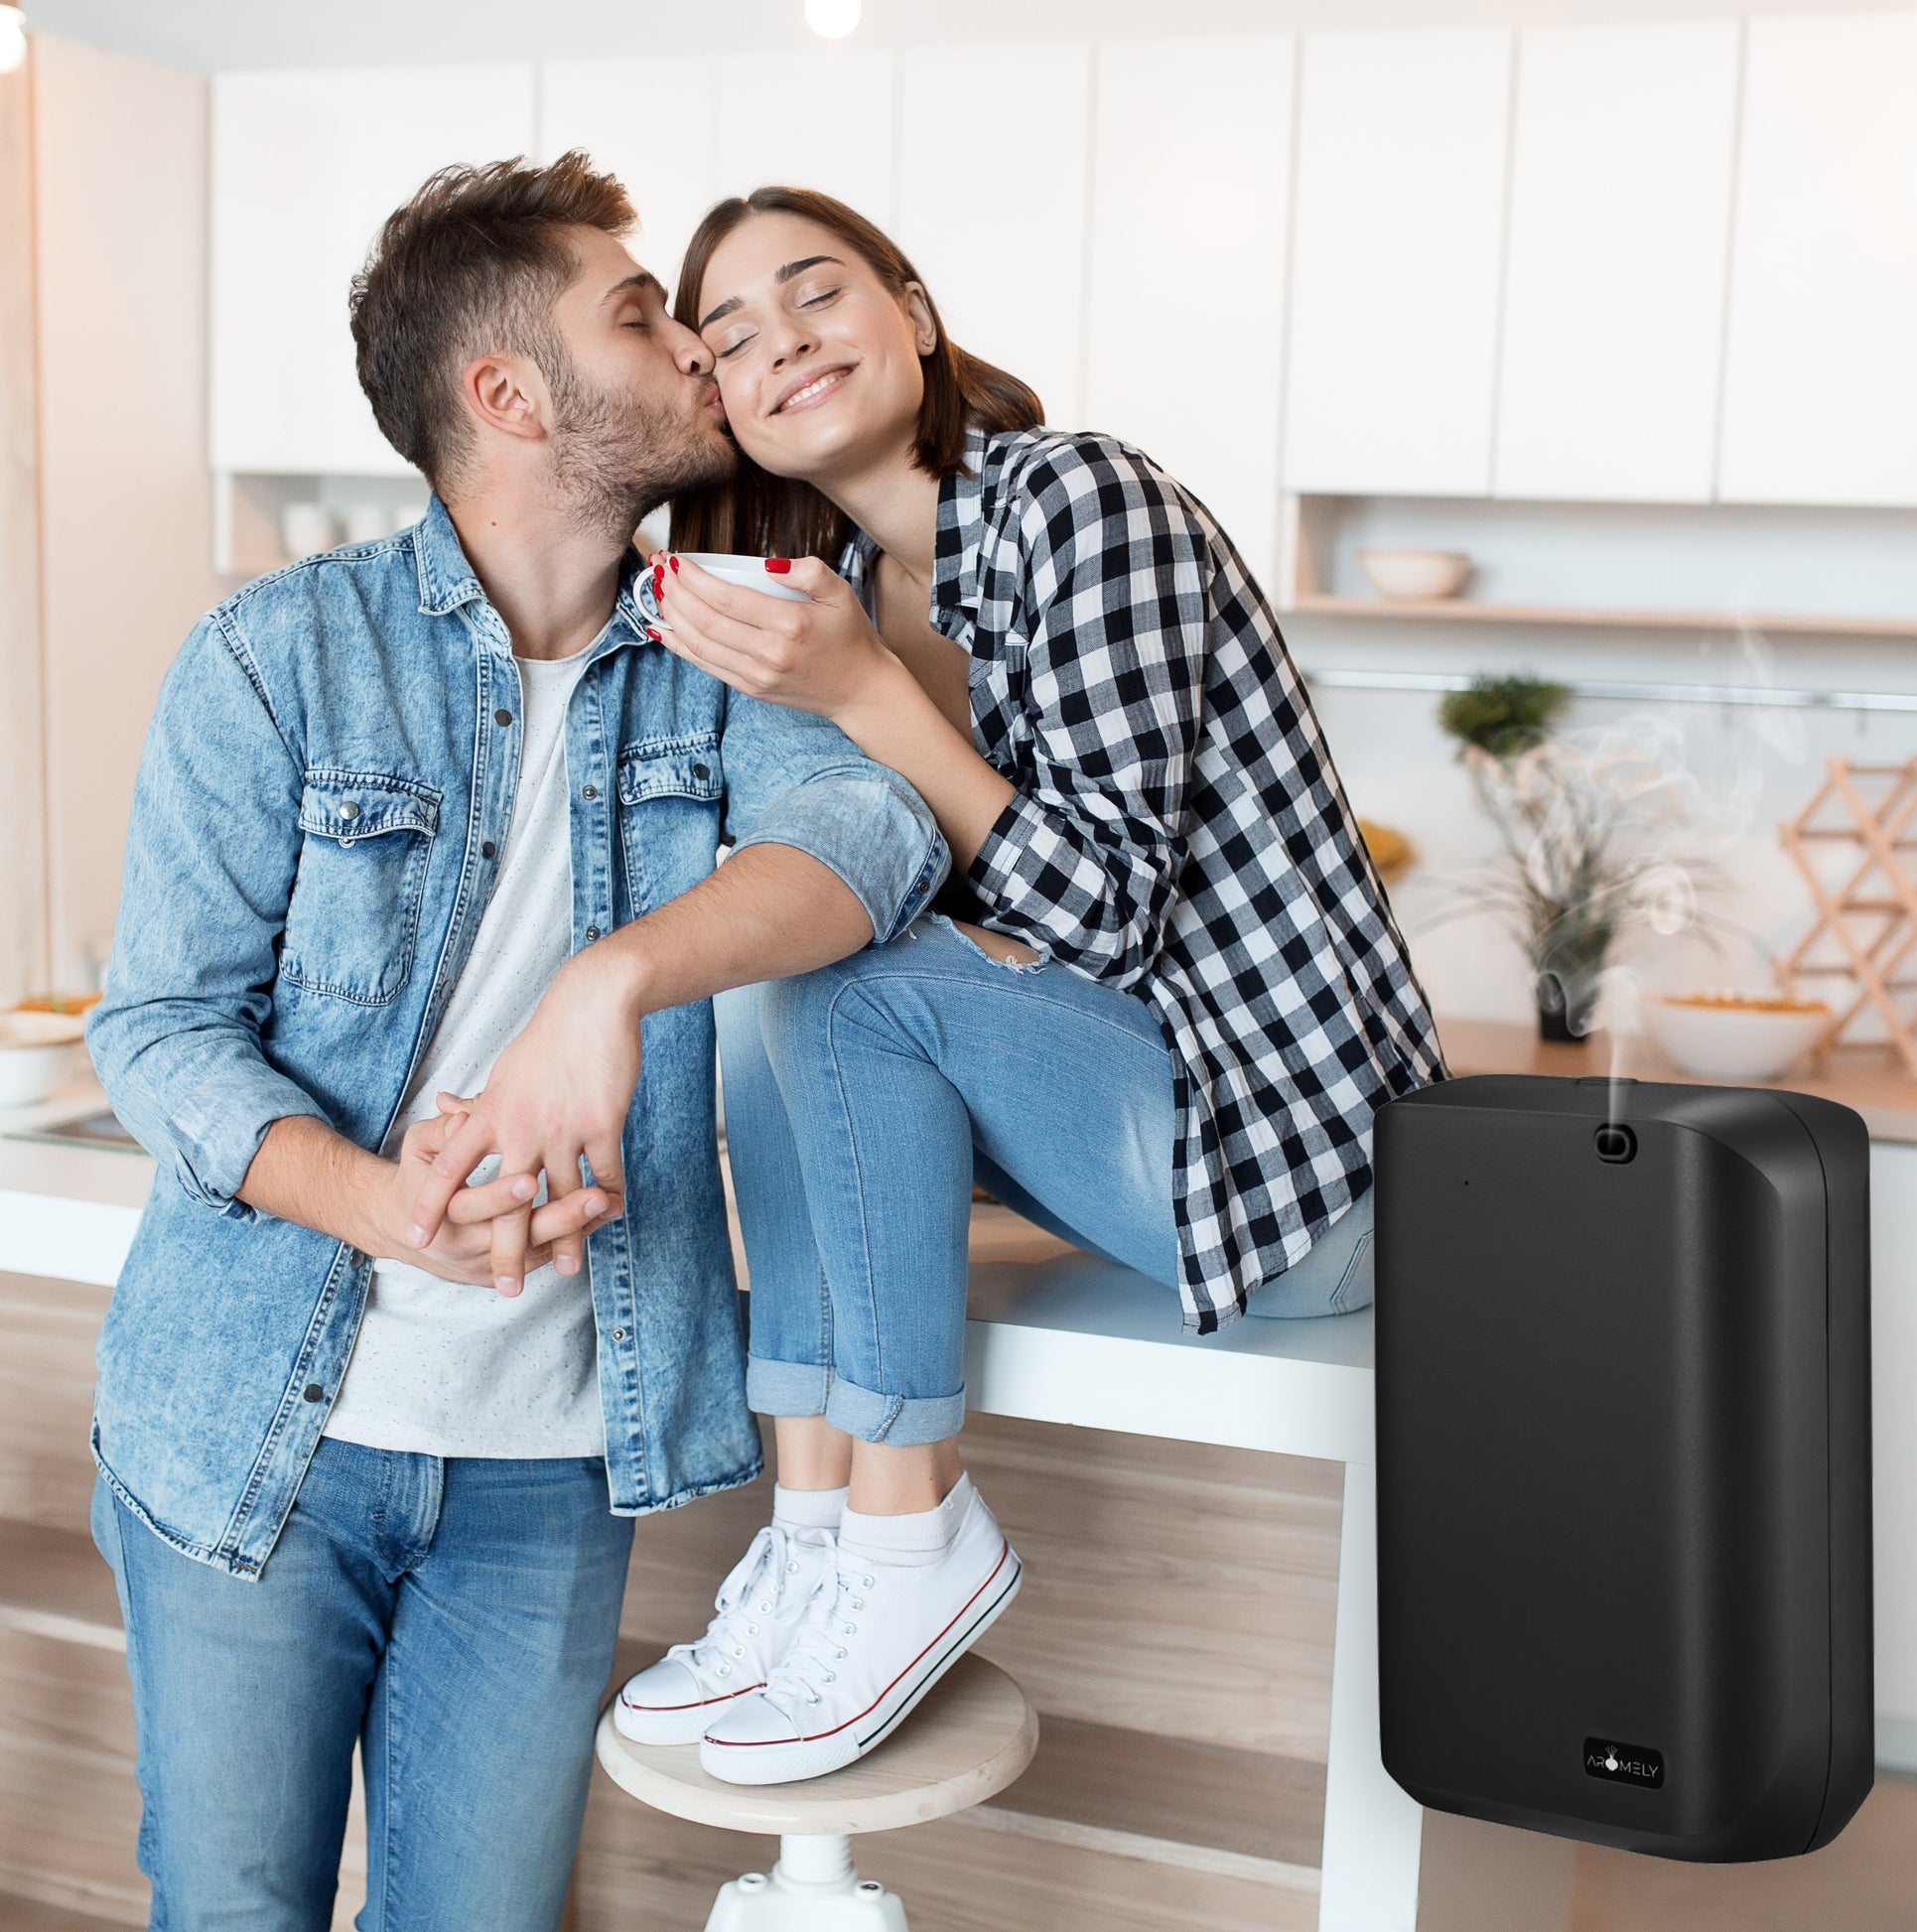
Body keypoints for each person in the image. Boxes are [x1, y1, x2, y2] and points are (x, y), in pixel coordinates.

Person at [84, 155, 947, 1931]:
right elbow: (159, 1029)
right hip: (253, 1424)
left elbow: (869, 843)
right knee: (231, 1907)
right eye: (640, 317)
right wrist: (383, 1206)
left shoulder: (724, 650)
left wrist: (607, 979)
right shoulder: (278, 653)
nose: (703, 350)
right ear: (507, 396)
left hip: (551, 1460)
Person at [610, 186, 1447, 1787]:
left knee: (844, 982)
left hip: (1293, 1160)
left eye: (818, 295)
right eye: (732, 335)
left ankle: (910, 1527)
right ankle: (811, 1540)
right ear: (720, 401)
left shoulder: (1081, 503)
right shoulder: (841, 579)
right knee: (770, 977)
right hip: (1146, 1122)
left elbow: (1108, 910)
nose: (782, 344)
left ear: (913, 315)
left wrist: (863, 694)